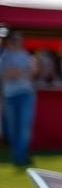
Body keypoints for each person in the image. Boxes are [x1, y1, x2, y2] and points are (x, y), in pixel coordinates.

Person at [1, 31, 37, 166]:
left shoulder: (25, 55)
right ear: (9, 41)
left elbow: (32, 73)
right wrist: (24, 71)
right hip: (10, 95)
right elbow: (7, 74)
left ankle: (19, 157)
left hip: (26, 94)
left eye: (20, 40)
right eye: (15, 40)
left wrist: (21, 71)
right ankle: (19, 155)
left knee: (23, 128)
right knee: (12, 129)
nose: (18, 42)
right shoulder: (4, 56)